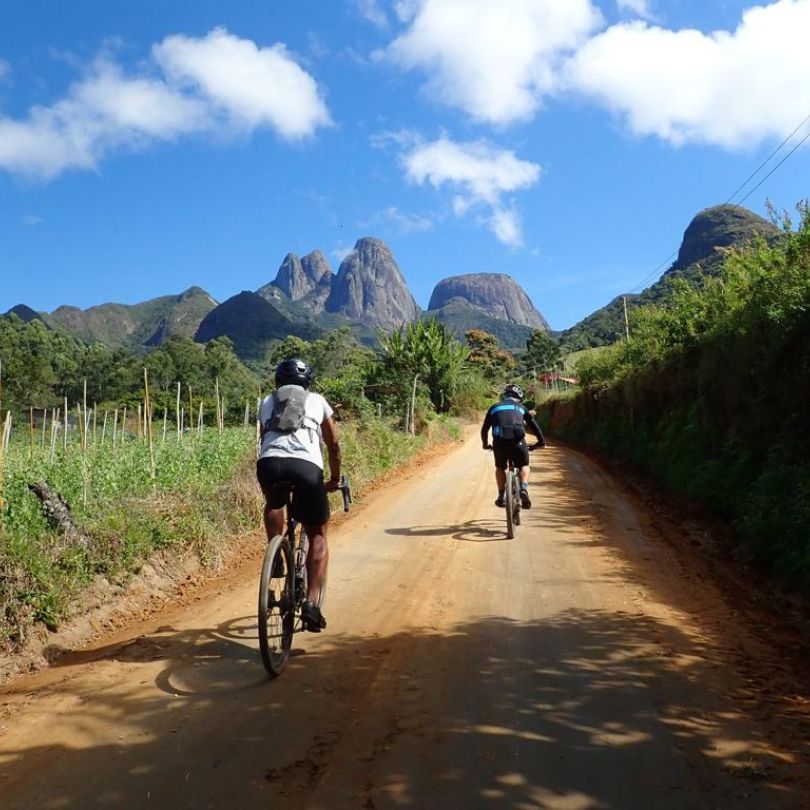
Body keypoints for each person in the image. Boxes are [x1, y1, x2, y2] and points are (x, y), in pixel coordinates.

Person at [256, 358, 341, 633]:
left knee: (274, 501)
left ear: (278, 381)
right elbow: (334, 443)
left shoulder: (266, 402)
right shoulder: (317, 400)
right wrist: (334, 479)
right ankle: (312, 604)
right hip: (306, 468)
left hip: (268, 464)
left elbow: (263, 438)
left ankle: (276, 550)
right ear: (308, 383)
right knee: (317, 533)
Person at [481, 383, 546, 509]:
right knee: (524, 466)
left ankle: (501, 495)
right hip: (518, 441)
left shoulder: (494, 407)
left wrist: (485, 444)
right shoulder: (521, 407)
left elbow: (484, 429)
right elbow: (534, 426)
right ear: (518, 397)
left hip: (499, 443)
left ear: (504, 397)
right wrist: (541, 442)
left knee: (500, 468)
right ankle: (523, 489)